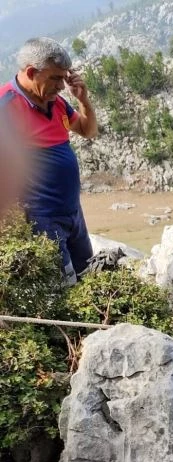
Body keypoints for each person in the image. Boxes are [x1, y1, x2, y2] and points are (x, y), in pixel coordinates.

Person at [1, 37, 98, 284]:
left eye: (64, 78)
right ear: (32, 72)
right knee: (65, 288)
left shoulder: (56, 103)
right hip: (42, 220)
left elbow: (88, 131)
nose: (61, 85)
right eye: (55, 78)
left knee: (89, 278)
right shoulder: (7, 106)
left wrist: (83, 99)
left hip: (73, 213)